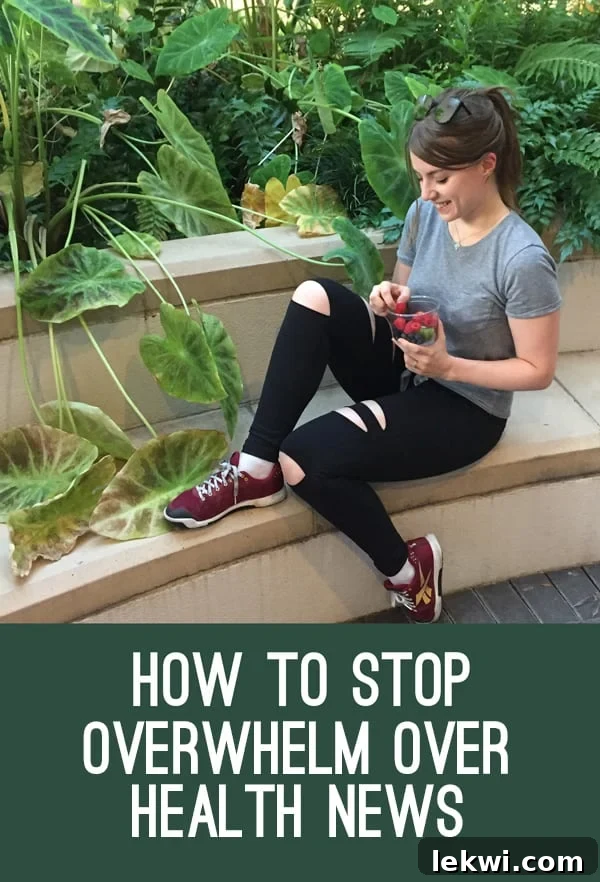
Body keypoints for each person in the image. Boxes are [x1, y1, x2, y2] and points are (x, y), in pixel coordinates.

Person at [164, 86, 562, 624]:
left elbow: (538, 371)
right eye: (420, 177)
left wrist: (447, 366)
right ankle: (255, 468)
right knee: (314, 295)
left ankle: (408, 572)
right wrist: (386, 298)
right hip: (412, 367)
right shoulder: (426, 216)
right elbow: (404, 298)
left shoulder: (521, 258)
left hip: (464, 408)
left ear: (486, 165)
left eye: (439, 179)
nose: (426, 192)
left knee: (303, 460)